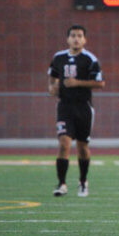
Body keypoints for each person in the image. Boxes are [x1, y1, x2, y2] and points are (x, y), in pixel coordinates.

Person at [47, 24, 105, 198]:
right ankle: (62, 184)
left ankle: (82, 181)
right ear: (67, 38)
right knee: (64, 143)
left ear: (84, 39)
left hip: (83, 107)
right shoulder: (59, 57)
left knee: (82, 146)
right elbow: (52, 75)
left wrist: (77, 82)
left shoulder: (90, 59)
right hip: (64, 106)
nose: (76, 38)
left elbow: (100, 83)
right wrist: (52, 86)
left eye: (80, 35)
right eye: (73, 35)